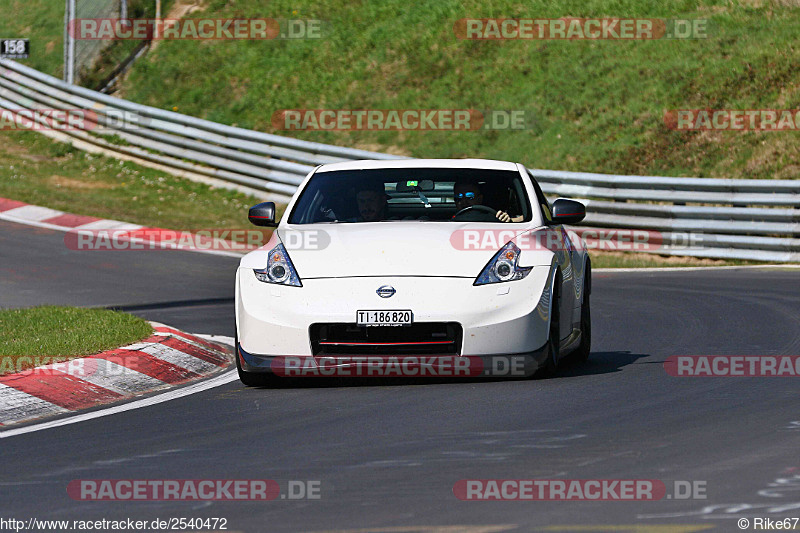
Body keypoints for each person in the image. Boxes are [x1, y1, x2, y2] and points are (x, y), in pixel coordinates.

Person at [453, 180, 522, 222]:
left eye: (469, 196)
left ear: (479, 199)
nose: (464, 201)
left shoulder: (495, 218)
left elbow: (526, 220)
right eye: (459, 197)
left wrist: (508, 220)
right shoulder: (447, 221)